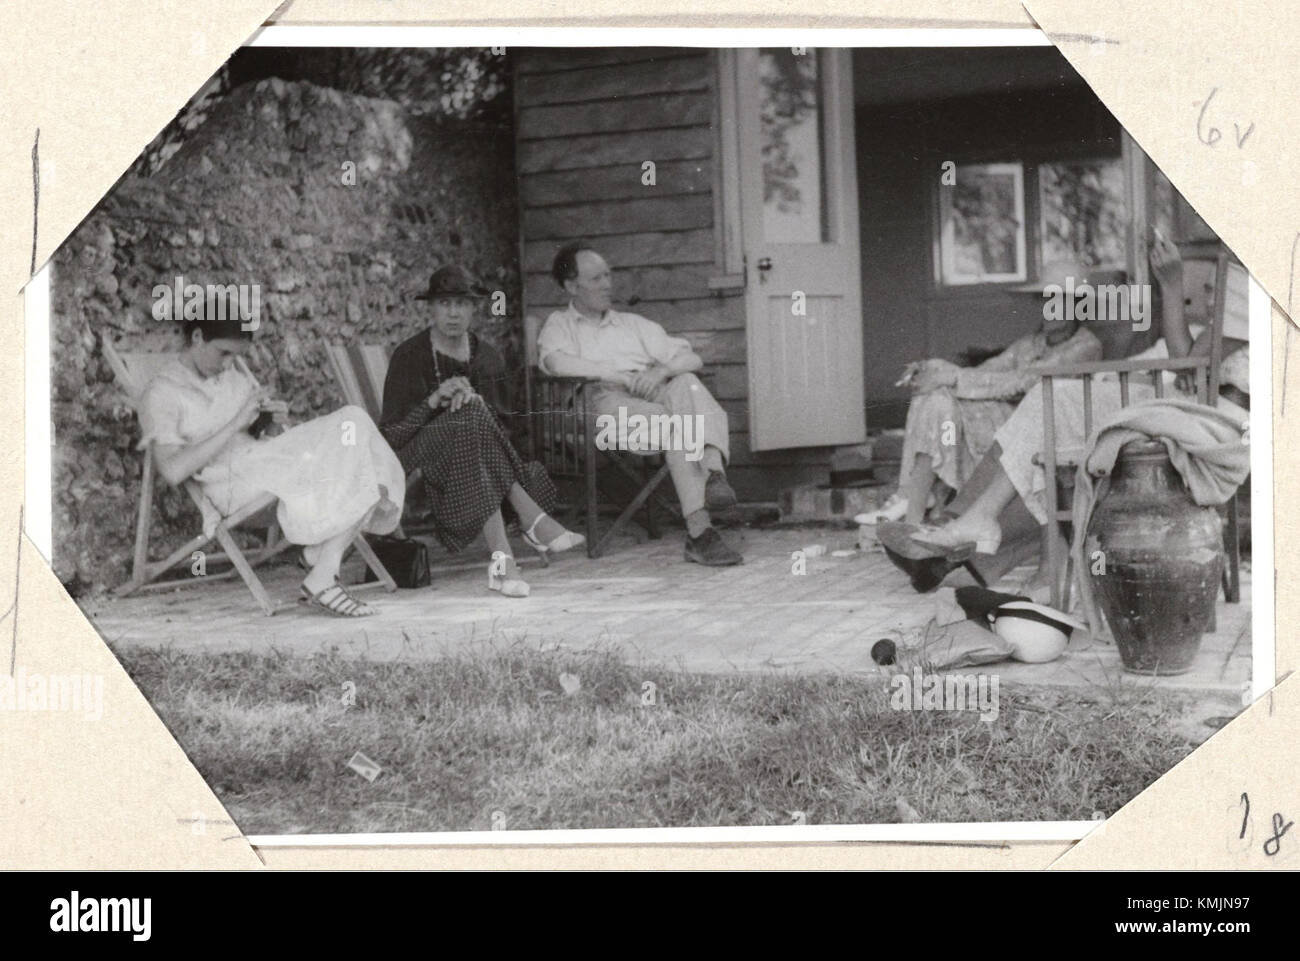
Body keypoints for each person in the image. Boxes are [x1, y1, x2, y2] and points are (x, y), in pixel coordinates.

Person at [890, 235, 1250, 570]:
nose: (1208, 298)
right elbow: (1188, 362)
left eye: (1214, 288)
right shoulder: (1031, 342)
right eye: (1206, 288)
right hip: (1187, 398)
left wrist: (1171, 286)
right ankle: (961, 520)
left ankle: (983, 530)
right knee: (1047, 402)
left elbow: (1186, 363)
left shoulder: (1248, 291)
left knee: (1053, 397)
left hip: (1207, 414)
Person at [139, 315, 404, 617]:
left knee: (355, 425)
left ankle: (322, 562)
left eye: (236, 357)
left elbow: (251, 435)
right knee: (349, 455)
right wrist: (235, 422)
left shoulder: (231, 379)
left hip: (264, 462)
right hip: (229, 483)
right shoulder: (161, 393)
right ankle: (320, 562)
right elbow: (173, 470)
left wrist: (268, 423)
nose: (229, 365)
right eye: (223, 353)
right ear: (197, 337)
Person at [379, 264, 583, 598]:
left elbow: (504, 431)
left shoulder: (488, 358)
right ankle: (531, 518)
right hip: (415, 461)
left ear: (474, 308)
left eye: (461, 304)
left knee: (473, 418)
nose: (453, 313)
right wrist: (434, 401)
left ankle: (504, 565)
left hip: (473, 463)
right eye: (444, 304)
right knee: (471, 415)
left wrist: (471, 404)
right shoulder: (409, 356)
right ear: (430, 308)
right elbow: (392, 437)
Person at [537, 242, 742, 566]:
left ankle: (715, 477)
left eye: (608, 275)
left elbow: (692, 358)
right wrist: (618, 375)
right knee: (680, 426)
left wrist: (662, 371)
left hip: (650, 393)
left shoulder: (632, 324)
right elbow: (557, 363)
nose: (607, 284)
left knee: (687, 383)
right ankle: (701, 532)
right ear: (571, 286)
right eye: (595, 279)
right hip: (601, 402)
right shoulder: (559, 325)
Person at [856, 261, 1103, 526]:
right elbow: (990, 369)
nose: (1052, 309)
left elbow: (1021, 382)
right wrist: (937, 368)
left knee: (942, 396)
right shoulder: (1032, 342)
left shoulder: (1086, 346)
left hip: (1037, 429)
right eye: (1047, 299)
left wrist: (952, 376)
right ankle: (912, 508)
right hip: (1004, 419)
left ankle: (912, 501)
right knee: (936, 397)